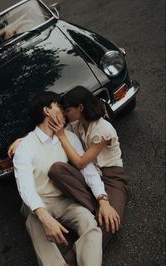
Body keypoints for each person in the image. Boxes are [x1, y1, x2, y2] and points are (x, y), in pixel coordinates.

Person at [12, 91, 117, 266]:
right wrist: (45, 219)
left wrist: (102, 198)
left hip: (65, 198)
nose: (63, 111)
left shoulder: (69, 137)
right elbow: (25, 187)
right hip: (40, 201)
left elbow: (87, 169)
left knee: (90, 224)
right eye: (58, 107)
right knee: (34, 224)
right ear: (47, 111)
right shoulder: (25, 147)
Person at [48, 86, 129, 246]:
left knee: (109, 223)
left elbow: (80, 162)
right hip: (92, 174)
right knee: (57, 170)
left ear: (80, 108)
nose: (65, 114)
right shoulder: (76, 124)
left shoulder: (102, 129)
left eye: (68, 110)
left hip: (112, 177)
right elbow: (48, 131)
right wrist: (21, 141)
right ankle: (98, 206)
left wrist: (62, 137)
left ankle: (70, 261)